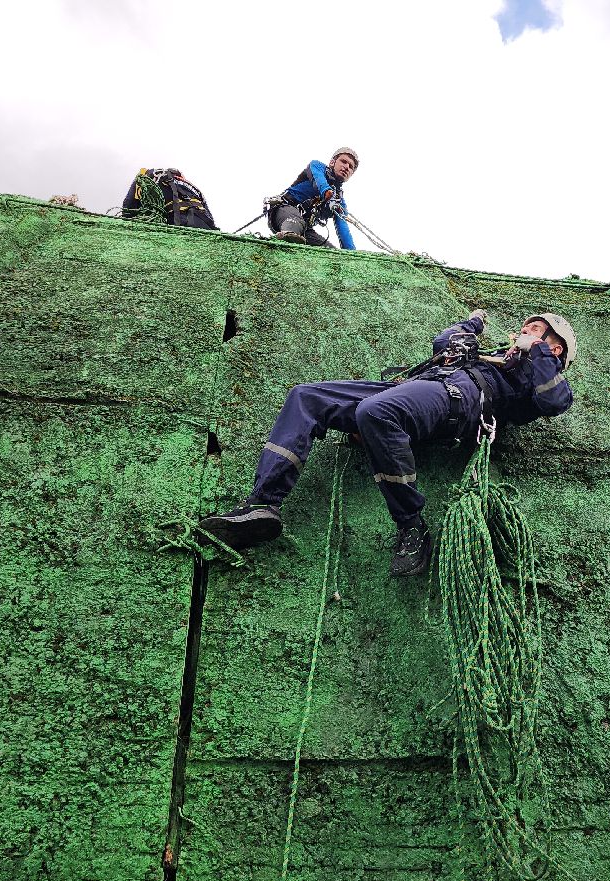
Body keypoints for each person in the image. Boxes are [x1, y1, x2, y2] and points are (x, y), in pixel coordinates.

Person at [198, 311, 578, 576]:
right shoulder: (489, 355)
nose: (524, 330)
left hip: (457, 399)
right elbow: (444, 343)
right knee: (306, 396)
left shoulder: (536, 374)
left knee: (376, 413)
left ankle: (411, 526)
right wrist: (472, 325)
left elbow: (555, 401)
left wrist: (536, 351)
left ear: (555, 348)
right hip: (416, 387)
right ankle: (264, 504)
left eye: (536, 329)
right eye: (525, 328)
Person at [267, 147, 358, 249]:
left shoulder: (339, 201)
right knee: (296, 222)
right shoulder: (317, 166)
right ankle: (287, 239)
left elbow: (343, 229)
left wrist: (351, 254)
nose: (346, 167)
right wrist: (326, 191)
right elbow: (319, 180)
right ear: (332, 162)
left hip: (305, 228)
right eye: (344, 162)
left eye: (351, 167)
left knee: (331, 252)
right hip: (283, 210)